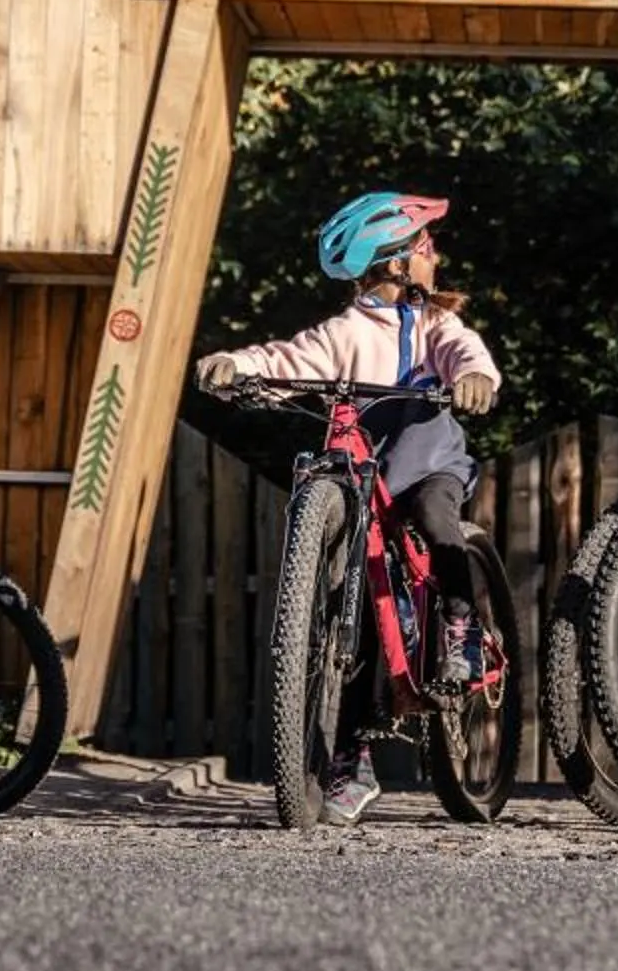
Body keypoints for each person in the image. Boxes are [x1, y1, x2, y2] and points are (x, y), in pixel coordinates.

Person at [194, 192, 501, 826]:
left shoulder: (432, 325)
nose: (435, 256)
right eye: (426, 247)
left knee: (438, 519)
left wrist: (475, 380)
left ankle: (462, 627)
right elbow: (286, 358)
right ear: (396, 264)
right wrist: (236, 364)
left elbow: (466, 353)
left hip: (429, 464)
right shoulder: (344, 333)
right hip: (369, 478)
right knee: (357, 618)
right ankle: (350, 760)